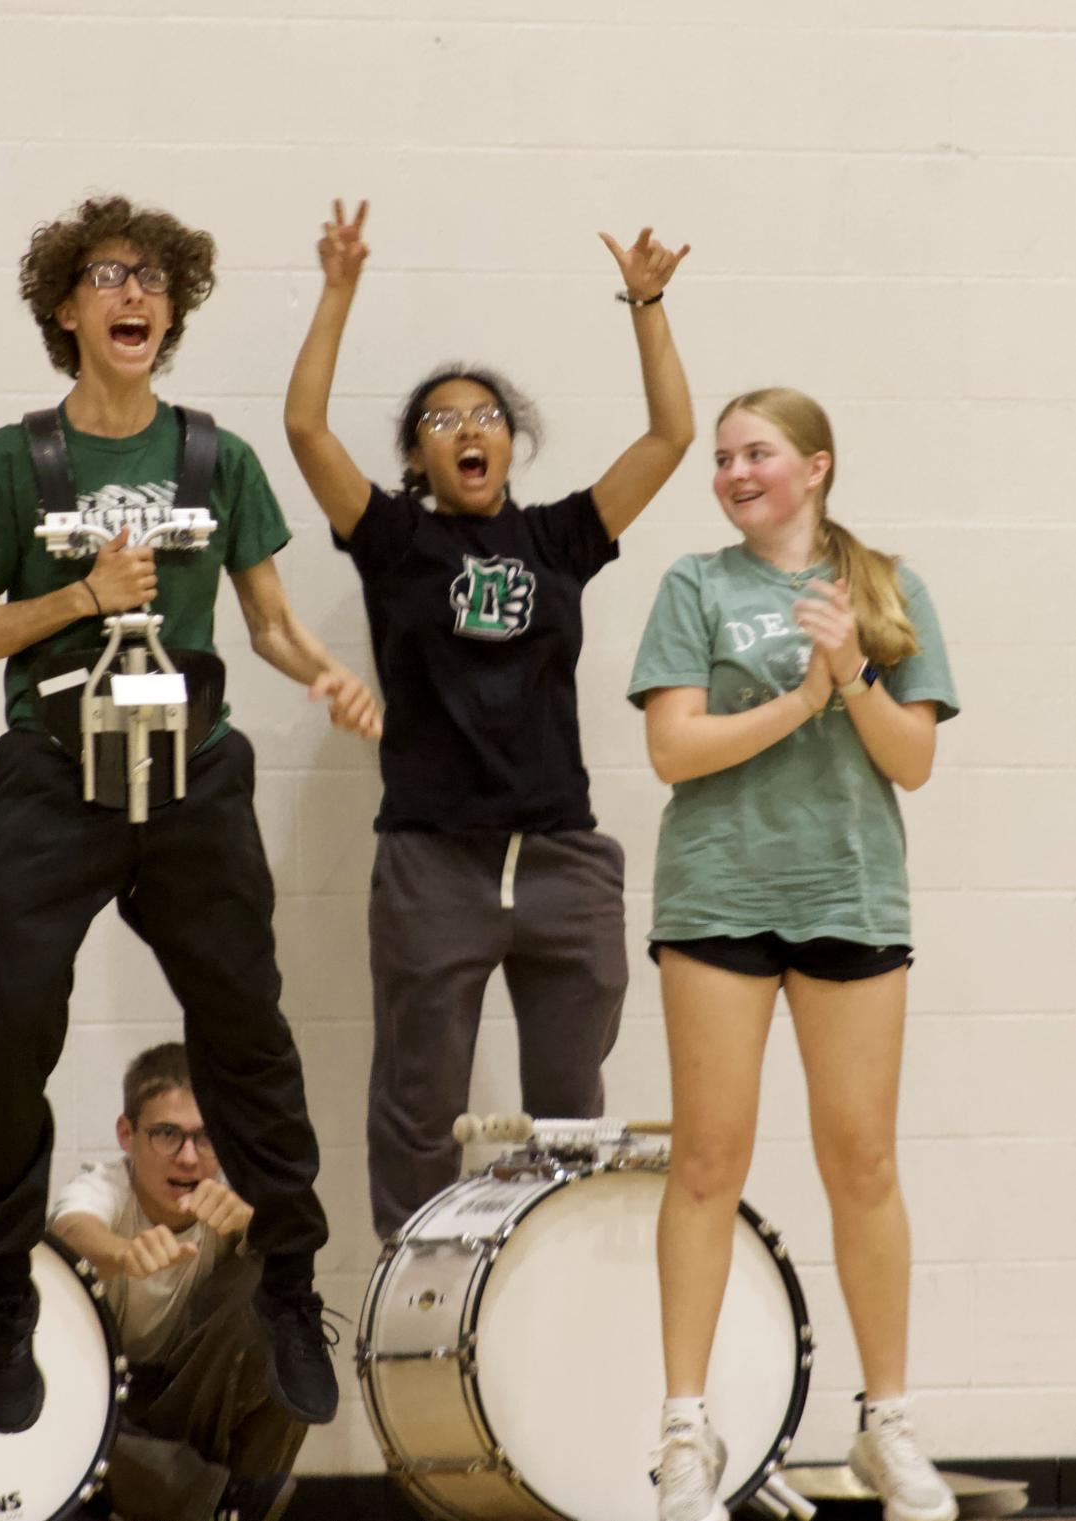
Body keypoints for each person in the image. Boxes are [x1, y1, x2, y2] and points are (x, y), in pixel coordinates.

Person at [0, 193, 379, 1438]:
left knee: (244, 1021)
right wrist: (82, 593)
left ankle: (291, 1279)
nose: (133, 295)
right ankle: (2, 1288)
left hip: (187, 770)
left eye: (154, 279)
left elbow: (272, 620)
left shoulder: (214, 460)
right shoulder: (11, 463)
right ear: (67, 309)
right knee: (18, 1015)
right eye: (107, 276)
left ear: (172, 309)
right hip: (54, 770)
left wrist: (323, 674)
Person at [283, 199, 693, 1238]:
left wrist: (644, 301)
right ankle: (408, 1309)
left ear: (512, 444)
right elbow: (304, 429)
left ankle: (547, 1291)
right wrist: (337, 290)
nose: (469, 428)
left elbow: (672, 435)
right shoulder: (392, 541)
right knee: (420, 1113)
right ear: (418, 459)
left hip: (562, 857)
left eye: (487, 417)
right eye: (443, 420)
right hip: (434, 862)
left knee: (571, 1121)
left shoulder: (562, 538)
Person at [628, 388, 959, 1521]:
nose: (731, 472)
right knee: (708, 1163)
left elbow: (911, 762)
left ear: (814, 466)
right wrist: (803, 697)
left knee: (861, 1161)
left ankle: (889, 1424)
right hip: (718, 895)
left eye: (754, 453)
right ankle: (685, 1432)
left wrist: (856, 676)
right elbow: (674, 750)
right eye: (721, 458)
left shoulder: (888, 587)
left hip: (850, 897)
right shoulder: (697, 585)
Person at [51, 1043, 306, 1521]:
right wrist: (122, 1253)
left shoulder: (230, 1202)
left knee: (279, 1296)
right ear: (127, 1134)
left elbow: (292, 1250)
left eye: (205, 1137)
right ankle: (227, 1504)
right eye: (167, 1134)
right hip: (107, 1409)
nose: (189, 1158)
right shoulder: (105, 1188)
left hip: (184, 1400)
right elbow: (70, 1232)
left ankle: (220, 1497)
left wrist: (255, 1233)